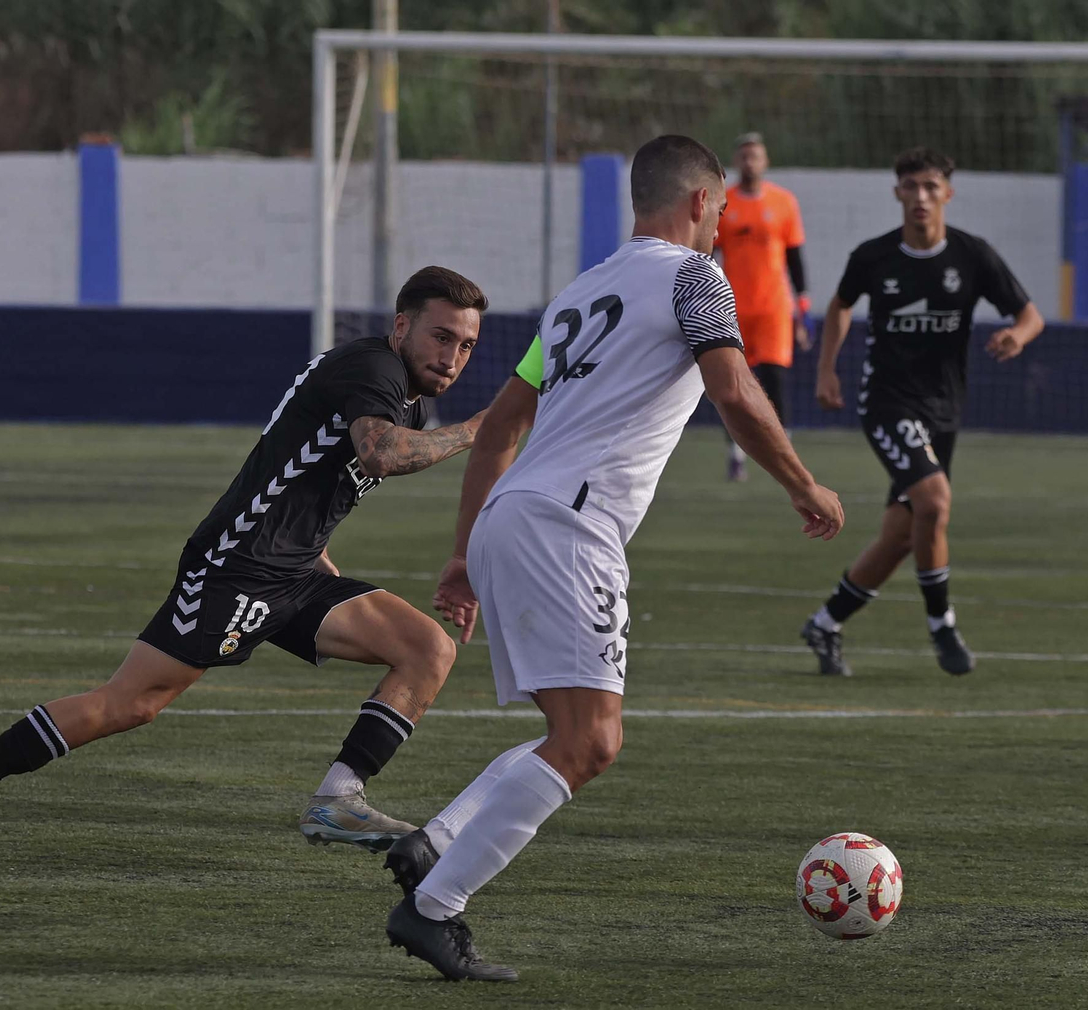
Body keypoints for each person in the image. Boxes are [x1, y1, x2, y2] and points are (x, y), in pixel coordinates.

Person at [379, 136, 845, 981]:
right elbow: (735, 390)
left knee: (569, 732)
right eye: (721, 212)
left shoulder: (577, 293)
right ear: (701, 202)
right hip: (570, 529)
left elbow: (500, 429)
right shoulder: (696, 277)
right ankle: (434, 908)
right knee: (591, 741)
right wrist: (804, 484)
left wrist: (462, 551)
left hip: (515, 516)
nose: (721, 228)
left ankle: (436, 841)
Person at [0, 266, 492, 863]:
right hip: (234, 568)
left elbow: (297, 457)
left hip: (292, 573)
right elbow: (381, 451)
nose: (452, 356)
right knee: (132, 703)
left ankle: (338, 799)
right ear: (402, 327)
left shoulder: (406, 400)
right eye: (441, 336)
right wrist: (476, 431)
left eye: (466, 344)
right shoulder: (375, 369)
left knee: (427, 649)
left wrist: (313, 547)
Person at [802, 147, 1045, 678]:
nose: (920, 197)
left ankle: (826, 622)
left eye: (931, 187)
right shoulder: (874, 256)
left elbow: (1029, 315)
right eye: (910, 187)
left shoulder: (973, 255)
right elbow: (841, 305)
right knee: (934, 501)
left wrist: (1016, 336)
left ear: (948, 194)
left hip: (944, 409)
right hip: (887, 401)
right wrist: (826, 369)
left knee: (901, 535)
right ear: (897, 193)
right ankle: (942, 626)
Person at [712, 131, 810, 481]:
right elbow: (708, 254)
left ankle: (782, 458)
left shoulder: (784, 203)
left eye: (756, 156)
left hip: (773, 311)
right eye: (744, 156)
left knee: (774, 381)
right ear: (736, 162)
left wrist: (804, 310)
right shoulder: (724, 204)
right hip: (731, 308)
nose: (750, 162)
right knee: (733, 385)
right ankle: (735, 455)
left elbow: (795, 259)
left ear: (765, 161)